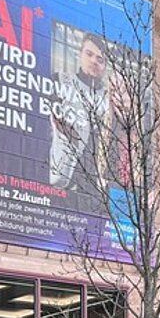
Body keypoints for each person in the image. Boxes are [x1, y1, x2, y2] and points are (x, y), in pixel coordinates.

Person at [48, 32, 108, 204]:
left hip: (90, 188)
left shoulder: (109, 98)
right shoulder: (60, 81)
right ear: (80, 54)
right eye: (89, 54)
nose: (94, 61)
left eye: (100, 59)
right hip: (56, 177)